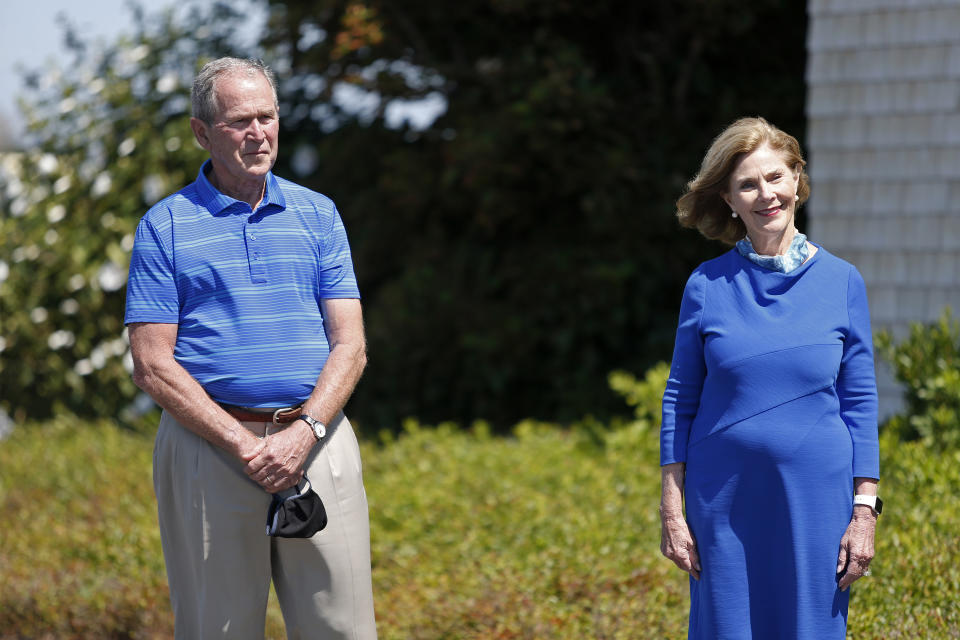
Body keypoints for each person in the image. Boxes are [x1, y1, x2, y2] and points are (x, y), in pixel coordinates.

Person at [125, 57, 377, 639]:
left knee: (343, 630)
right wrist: (246, 446)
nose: (258, 133)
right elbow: (152, 364)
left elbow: (351, 344)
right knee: (219, 631)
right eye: (241, 121)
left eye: (267, 117)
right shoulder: (164, 226)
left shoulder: (319, 214)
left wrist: (303, 432)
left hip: (317, 443)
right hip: (209, 450)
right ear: (201, 132)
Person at [658, 117, 881, 639]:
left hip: (816, 502)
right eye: (748, 185)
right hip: (724, 502)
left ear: (798, 181)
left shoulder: (843, 281)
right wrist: (672, 507)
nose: (766, 194)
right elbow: (679, 398)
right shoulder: (706, 285)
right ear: (730, 200)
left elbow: (861, 402)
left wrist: (864, 510)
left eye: (776, 177)